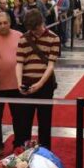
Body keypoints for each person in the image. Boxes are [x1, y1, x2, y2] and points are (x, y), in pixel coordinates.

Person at [13, 8, 60, 149]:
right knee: (24, 122)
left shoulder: (54, 38)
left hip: (45, 85)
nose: (35, 32)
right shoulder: (23, 38)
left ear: (42, 22)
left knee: (45, 122)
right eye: (32, 30)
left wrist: (40, 84)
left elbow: (51, 65)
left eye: (37, 28)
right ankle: (23, 152)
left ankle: (45, 152)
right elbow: (19, 63)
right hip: (27, 81)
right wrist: (19, 83)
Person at [0, 11, 22, 155]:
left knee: (18, 117)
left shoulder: (19, 36)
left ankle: (18, 143)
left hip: (16, 84)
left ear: (10, 23)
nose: (2, 26)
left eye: (5, 23)